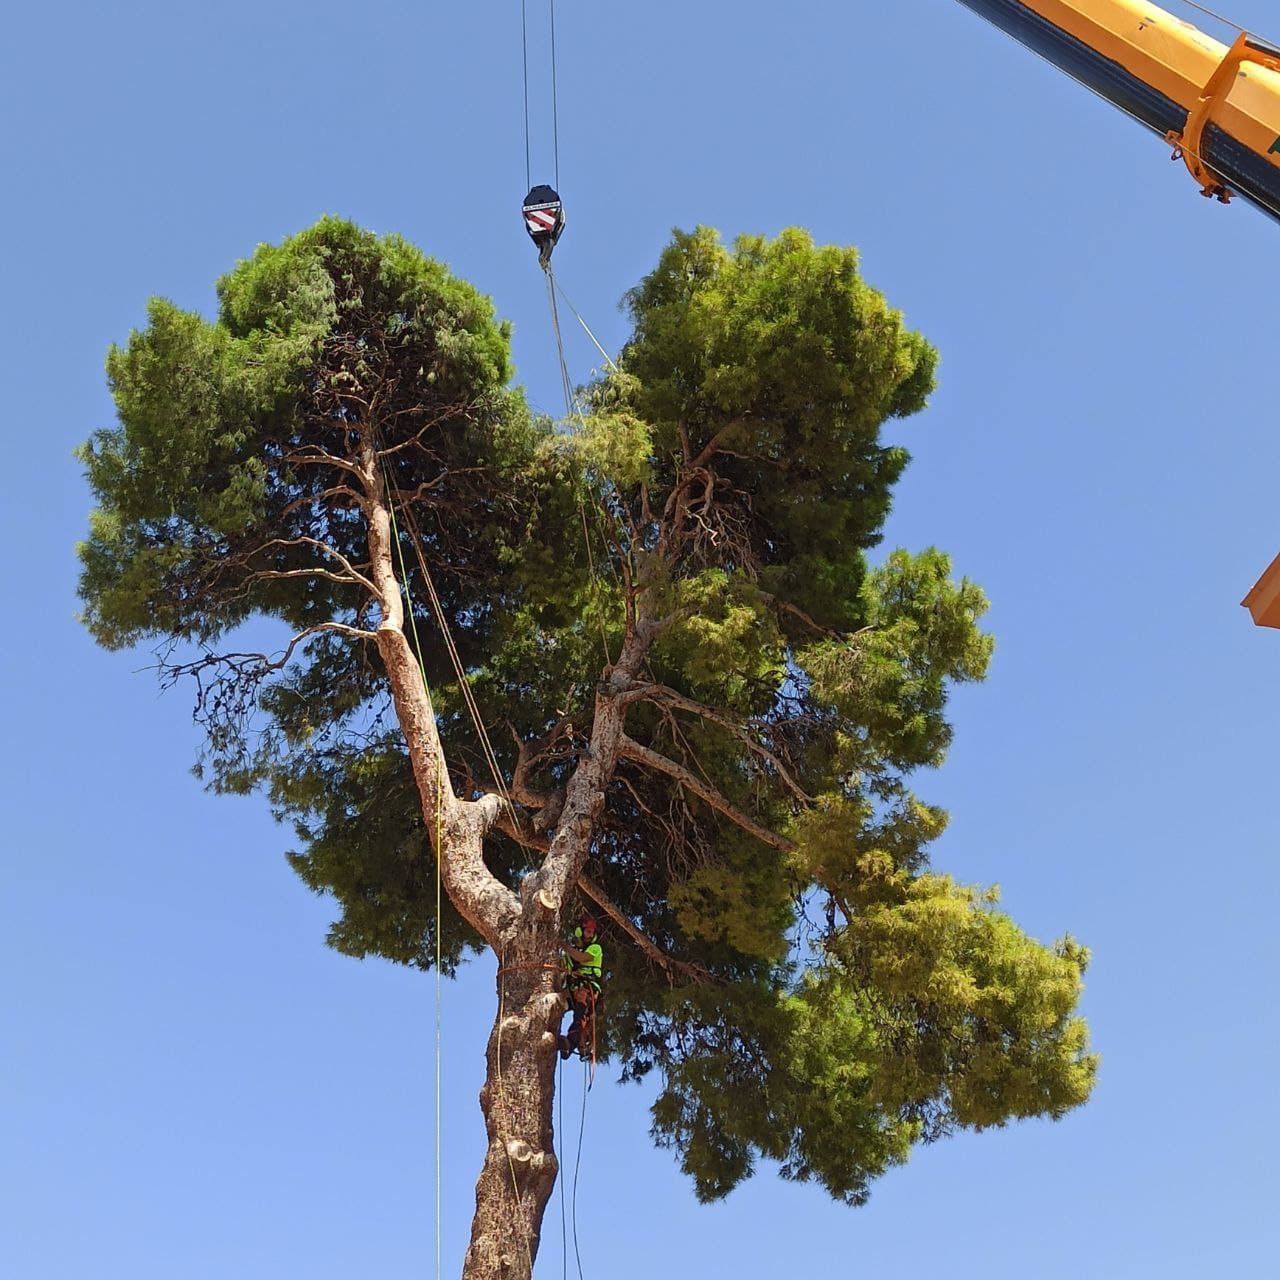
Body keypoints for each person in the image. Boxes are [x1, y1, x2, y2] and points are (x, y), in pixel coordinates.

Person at [558, 913, 603, 1061]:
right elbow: (563, 965)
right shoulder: (571, 953)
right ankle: (563, 1041)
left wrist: (563, 945)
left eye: (592, 932)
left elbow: (582, 958)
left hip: (587, 987)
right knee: (557, 1006)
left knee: (580, 1014)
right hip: (572, 988)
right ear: (580, 932)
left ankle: (570, 1043)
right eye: (588, 931)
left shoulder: (595, 948)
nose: (590, 935)